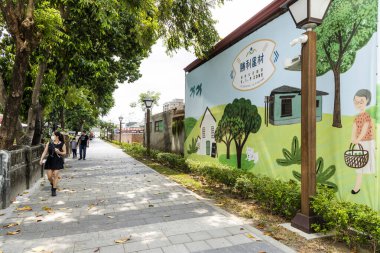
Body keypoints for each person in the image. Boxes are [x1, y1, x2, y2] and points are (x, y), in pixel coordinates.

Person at [351, 89, 376, 194]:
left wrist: (357, 139)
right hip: (359, 143)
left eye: (361, 102)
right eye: (356, 102)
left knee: (367, 163)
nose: (358, 104)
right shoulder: (357, 117)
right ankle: (357, 187)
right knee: (359, 164)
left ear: (367, 101)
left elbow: (364, 130)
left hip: (367, 142)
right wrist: (352, 138)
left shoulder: (366, 116)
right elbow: (354, 128)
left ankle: (367, 187)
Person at [39, 131, 66, 196]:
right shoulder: (49, 143)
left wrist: (59, 152)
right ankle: (53, 183)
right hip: (50, 160)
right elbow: (45, 152)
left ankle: (54, 190)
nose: (52, 136)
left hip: (57, 160)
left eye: (53, 135)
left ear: (57, 136)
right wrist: (41, 159)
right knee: (49, 177)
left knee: (56, 175)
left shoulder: (62, 144)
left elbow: (64, 152)